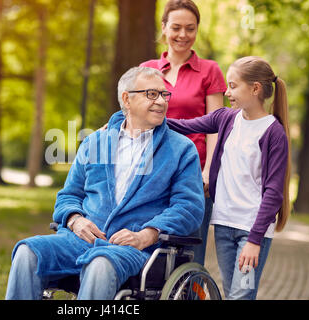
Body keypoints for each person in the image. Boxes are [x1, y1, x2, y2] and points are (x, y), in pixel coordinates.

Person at [5, 66, 205, 300]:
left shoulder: (181, 149)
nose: (161, 101)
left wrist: (146, 235)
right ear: (126, 99)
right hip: (78, 241)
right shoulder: (96, 142)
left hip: (133, 249)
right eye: (152, 94)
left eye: (164, 94)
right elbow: (69, 195)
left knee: (100, 263)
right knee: (28, 251)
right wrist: (74, 219)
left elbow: (189, 207)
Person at [166, 56, 291, 299]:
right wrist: (132, 120)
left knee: (241, 296)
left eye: (233, 86)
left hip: (251, 231)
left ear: (255, 89)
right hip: (224, 225)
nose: (227, 92)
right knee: (230, 292)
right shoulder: (226, 118)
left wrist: (254, 241)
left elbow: (274, 193)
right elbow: (183, 126)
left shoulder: (273, 132)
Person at [139, 0, 227, 266]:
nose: (183, 35)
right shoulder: (147, 70)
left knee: (189, 256)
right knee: (147, 249)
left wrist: (209, 170)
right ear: (164, 27)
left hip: (193, 176)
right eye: (176, 27)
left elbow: (216, 125)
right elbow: (135, 118)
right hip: (150, 172)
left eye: (190, 28)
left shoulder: (210, 70)